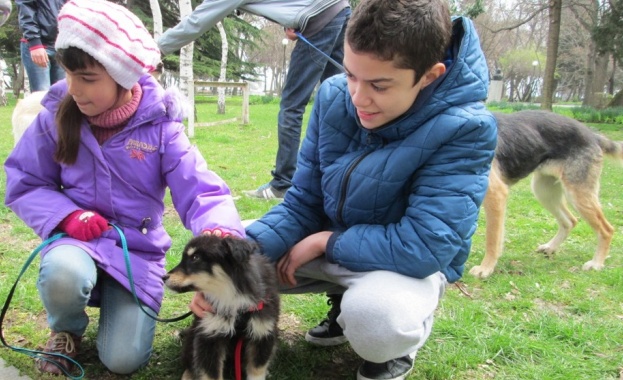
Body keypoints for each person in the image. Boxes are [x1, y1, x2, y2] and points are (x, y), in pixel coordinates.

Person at [190, 0, 497, 378]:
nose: (358, 97)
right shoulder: (334, 95)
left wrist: (324, 242)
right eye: (351, 74)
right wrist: (225, 270)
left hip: (401, 265)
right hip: (329, 242)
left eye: (379, 85)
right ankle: (340, 306)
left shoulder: (467, 128)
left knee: (377, 320)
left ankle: (395, 346)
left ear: (430, 76)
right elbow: (303, 201)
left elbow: (426, 245)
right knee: (237, 246)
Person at [4, 0, 245, 376]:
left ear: (123, 74)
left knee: (123, 360)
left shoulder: (161, 127)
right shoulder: (55, 116)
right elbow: (25, 181)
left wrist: (220, 230)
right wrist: (67, 216)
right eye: (69, 75)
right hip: (77, 241)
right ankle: (66, 328)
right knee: (63, 272)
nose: (74, 89)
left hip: (137, 255)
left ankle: (118, 317)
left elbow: (202, 191)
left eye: (87, 78)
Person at [157, 0, 351, 200]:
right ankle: (337, 178)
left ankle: (283, 183)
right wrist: (294, 19)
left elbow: (196, 23)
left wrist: (154, 49)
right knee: (337, 98)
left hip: (319, 17)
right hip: (338, 8)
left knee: (292, 107)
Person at [16, 0, 68, 92]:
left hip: (62, 45)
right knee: (41, 96)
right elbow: (26, 10)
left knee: (62, 96)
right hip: (39, 45)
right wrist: (35, 43)